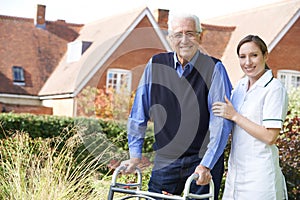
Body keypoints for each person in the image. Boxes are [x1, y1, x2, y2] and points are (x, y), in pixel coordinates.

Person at [120, 12, 233, 199]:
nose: (184, 40)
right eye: (178, 34)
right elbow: (138, 113)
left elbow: (220, 123)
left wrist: (207, 164)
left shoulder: (214, 69)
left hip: (202, 159)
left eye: (190, 33)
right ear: (170, 38)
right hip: (166, 159)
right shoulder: (155, 65)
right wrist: (135, 155)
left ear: (200, 36)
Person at [212, 35, 288, 199]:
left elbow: (270, 136)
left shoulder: (274, 88)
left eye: (254, 55)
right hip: (236, 174)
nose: (248, 62)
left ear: (265, 55)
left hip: (260, 177)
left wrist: (235, 116)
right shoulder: (239, 86)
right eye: (242, 56)